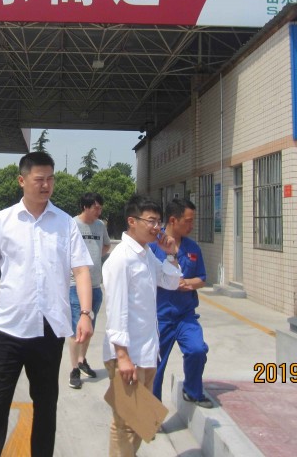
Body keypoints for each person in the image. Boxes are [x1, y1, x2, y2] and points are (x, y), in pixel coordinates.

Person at [0, 151, 94, 457]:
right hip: (8, 330)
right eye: (39, 179)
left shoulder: (65, 224)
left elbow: (81, 270)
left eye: (51, 179)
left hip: (49, 331)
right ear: (22, 181)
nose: (46, 185)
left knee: (46, 408)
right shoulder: (1, 221)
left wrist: (85, 313)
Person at [102, 195, 181, 457]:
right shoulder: (121, 259)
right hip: (128, 354)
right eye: (151, 221)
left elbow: (170, 282)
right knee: (124, 425)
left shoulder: (146, 254)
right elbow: (116, 310)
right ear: (132, 221)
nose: (156, 227)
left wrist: (171, 254)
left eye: (158, 222)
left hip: (147, 352)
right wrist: (123, 356)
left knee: (139, 423)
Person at [148, 198, 213, 408]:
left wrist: (188, 284)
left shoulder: (193, 248)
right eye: (188, 221)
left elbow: (201, 278)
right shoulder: (153, 246)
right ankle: (152, 412)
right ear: (173, 220)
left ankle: (192, 391)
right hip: (160, 316)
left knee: (197, 350)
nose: (192, 225)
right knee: (155, 366)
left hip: (185, 315)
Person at [68, 192, 110, 389]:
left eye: (100, 208)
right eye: (96, 208)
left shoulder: (100, 226)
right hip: (75, 286)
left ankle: (82, 360)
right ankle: (74, 369)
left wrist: (94, 257)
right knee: (76, 328)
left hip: (95, 286)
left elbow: (106, 245)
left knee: (89, 328)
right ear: (85, 207)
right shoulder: (72, 224)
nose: (98, 211)